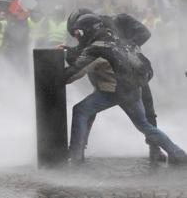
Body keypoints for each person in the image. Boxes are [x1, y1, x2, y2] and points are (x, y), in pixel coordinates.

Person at [64, 10, 187, 165]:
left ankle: (75, 156)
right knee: (144, 125)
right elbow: (83, 51)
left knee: (81, 110)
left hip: (114, 90)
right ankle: (178, 153)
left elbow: (76, 71)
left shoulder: (97, 47)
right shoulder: (112, 36)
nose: (77, 38)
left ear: (87, 30)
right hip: (132, 87)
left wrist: (53, 79)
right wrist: (69, 50)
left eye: (78, 33)